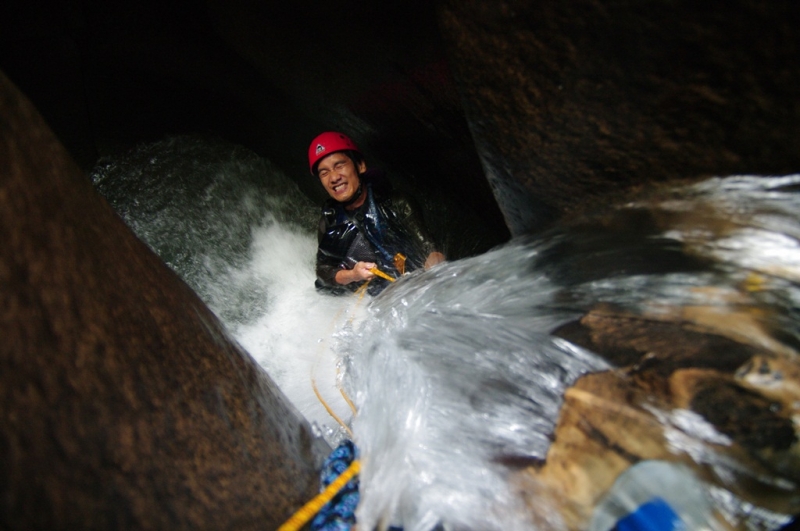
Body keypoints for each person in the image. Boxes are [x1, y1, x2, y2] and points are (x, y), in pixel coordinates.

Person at [309, 131, 445, 295]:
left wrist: (436, 271)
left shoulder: (397, 204)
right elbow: (324, 272)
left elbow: (428, 246)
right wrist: (353, 274)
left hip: (413, 284)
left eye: (339, 166)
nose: (333, 177)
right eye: (324, 173)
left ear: (360, 166)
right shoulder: (331, 223)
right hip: (372, 298)